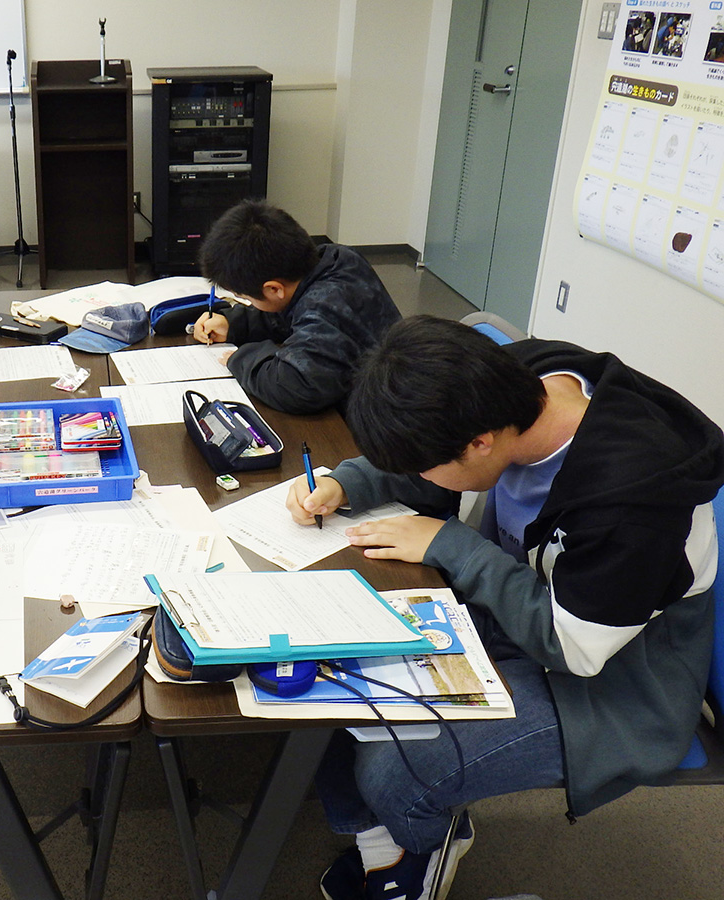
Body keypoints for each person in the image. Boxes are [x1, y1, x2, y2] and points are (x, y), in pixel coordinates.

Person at [285, 316, 723, 900]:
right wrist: (349, 482)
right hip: (525, 610)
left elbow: (576, 650)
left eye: (422, 464)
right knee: (334, 675)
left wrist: (452, 545)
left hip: (616, 682)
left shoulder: (633, 500)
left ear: (480, 443)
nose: (417, 475)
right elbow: (443, 463)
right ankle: (386, 839)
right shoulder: (511, 382)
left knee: (395, 770)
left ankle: (425, 845)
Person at [191, 199, 401, 414]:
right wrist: (234, 323)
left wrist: (241, 359)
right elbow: (289, 311)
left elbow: (299, 387)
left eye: (244, 297)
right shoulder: (334, 259)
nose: (248, 301)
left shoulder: (324, 305)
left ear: (274, 289)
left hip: (378, 415)